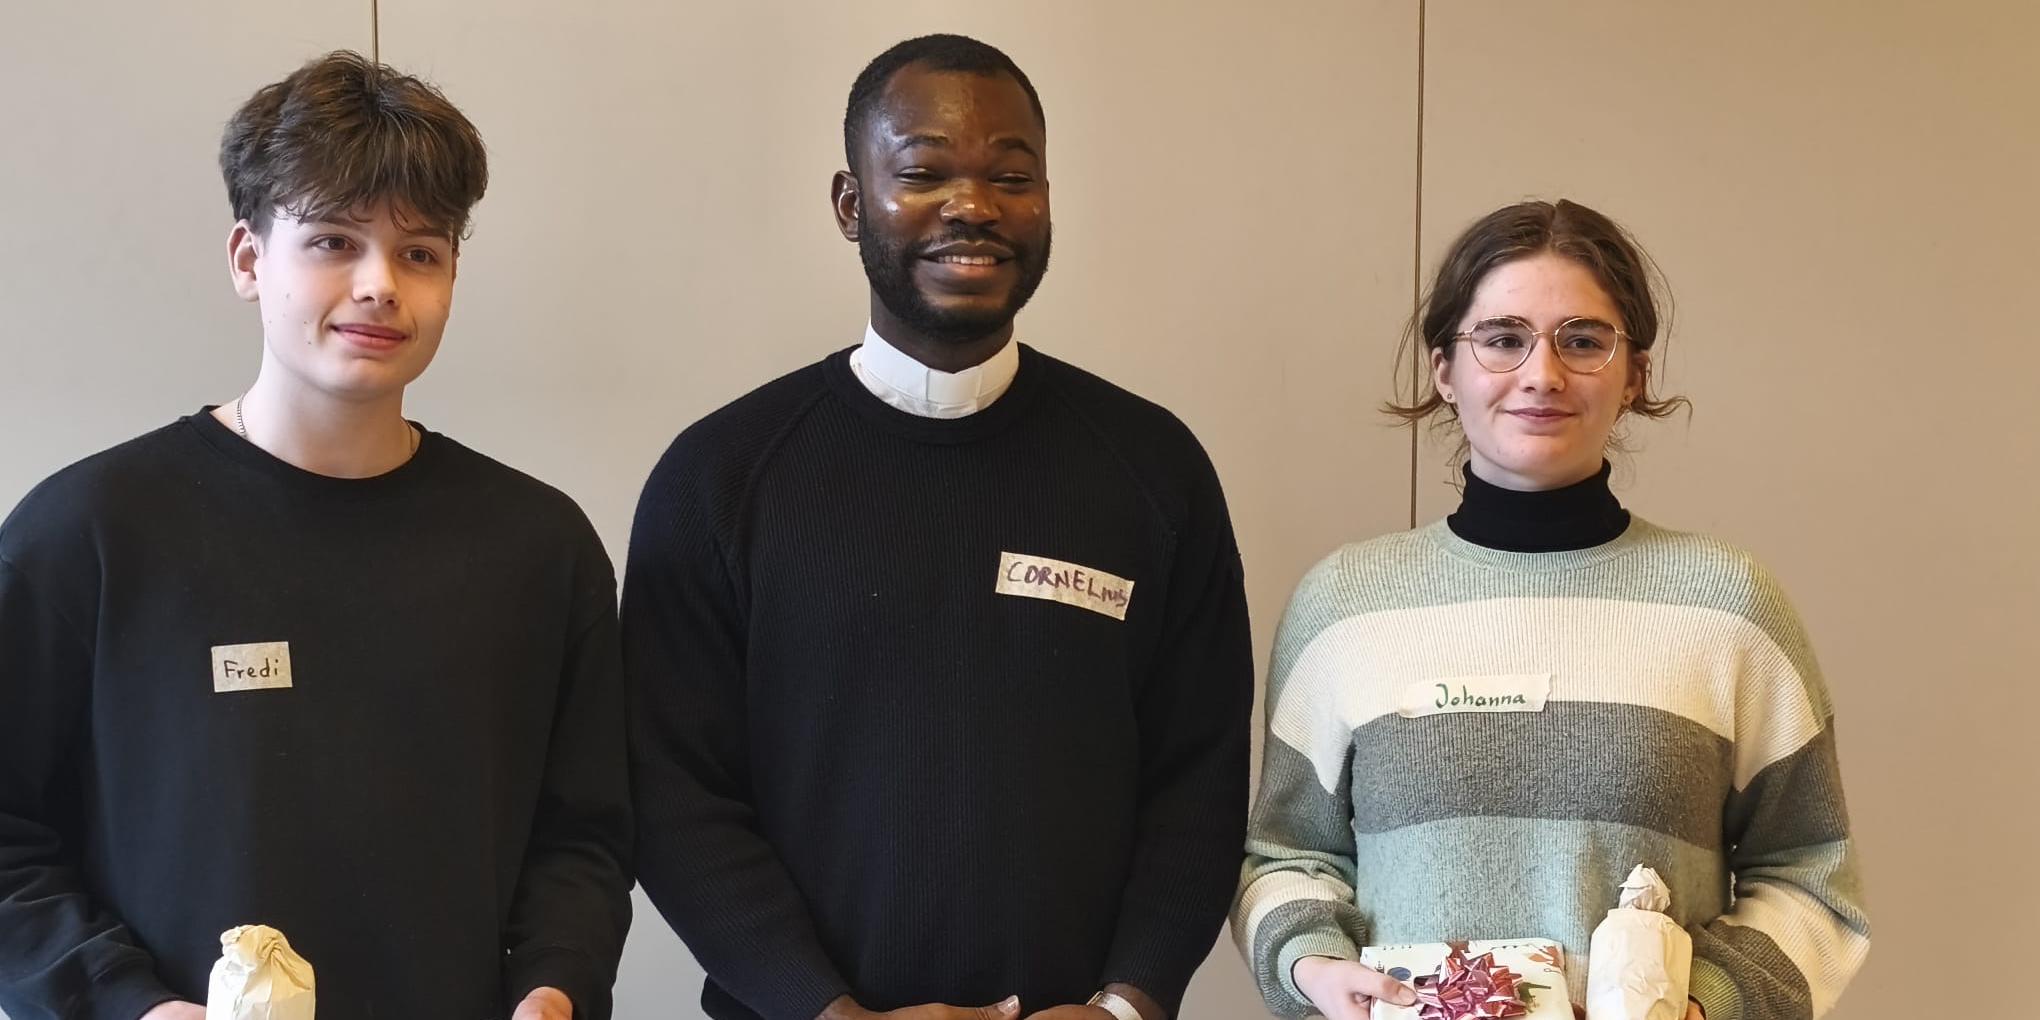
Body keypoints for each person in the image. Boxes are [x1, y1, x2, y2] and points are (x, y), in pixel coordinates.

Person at [623, 32, 1252, 1020]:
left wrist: (1130, 1003)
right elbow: (674, 793)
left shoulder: (1153, 469)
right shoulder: (720, 478)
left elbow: (1200, 778)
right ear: (850, 204)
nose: (974, 206)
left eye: (1012, 176)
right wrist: (823, 1009)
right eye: (923, 173)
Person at [0, 51, 632, 1020]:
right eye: (334, 241)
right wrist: (131, 1007)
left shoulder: (538, 547)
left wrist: (556, 986)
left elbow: (583, 839)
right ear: (249, 260)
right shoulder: (87, 532)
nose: (380, 285)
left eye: (420, 253)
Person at [1231, 200, 1869, 1020]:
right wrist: (1312, 967)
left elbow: (1812, 874)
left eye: (1583, 340)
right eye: (1503, 339)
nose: (1542, 374)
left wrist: (1708, 1005)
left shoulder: (1728, 607)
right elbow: (1286, 856)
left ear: (1634, 374)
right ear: (1444, 371)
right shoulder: (1343, 607)